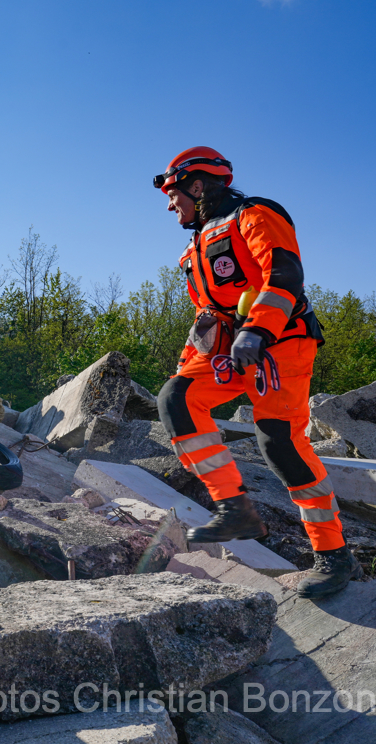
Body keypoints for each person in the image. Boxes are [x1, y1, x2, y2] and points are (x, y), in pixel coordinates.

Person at [153, 146, 360, 598]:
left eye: (174, 195)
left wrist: (258, 330)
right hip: (231, 348)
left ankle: (334, 554)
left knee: (280, 442)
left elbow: (283, 275)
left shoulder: (256, 214)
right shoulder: (193, 251)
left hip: (281, 342)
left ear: (197, 185)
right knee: (176, 398)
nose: (171, 205)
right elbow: (207, 315)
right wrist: (192, 363)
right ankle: (235, 508)